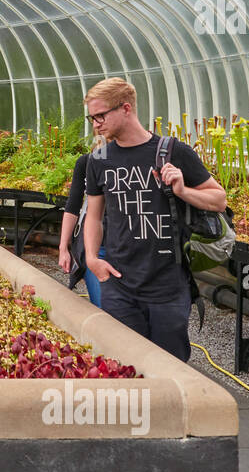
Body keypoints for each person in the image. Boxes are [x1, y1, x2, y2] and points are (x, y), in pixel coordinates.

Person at [81, 78, 227, 362]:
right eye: (92, 118)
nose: (95, 124)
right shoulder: (98, 160)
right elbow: (93, 217)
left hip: (168, 286)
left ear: (126, 108)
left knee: (169, 367)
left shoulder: (174, 152)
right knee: (125, 366)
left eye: (100, 116)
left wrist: (183, 191)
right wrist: (91, 259)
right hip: (118, 284)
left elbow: (219, 199)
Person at [58, 137, 107, 307]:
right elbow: (73, 205)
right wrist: (63, 247)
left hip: (125, 247)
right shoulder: (85, 163)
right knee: (103, 307)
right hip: (94, 247)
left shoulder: (130, 162)